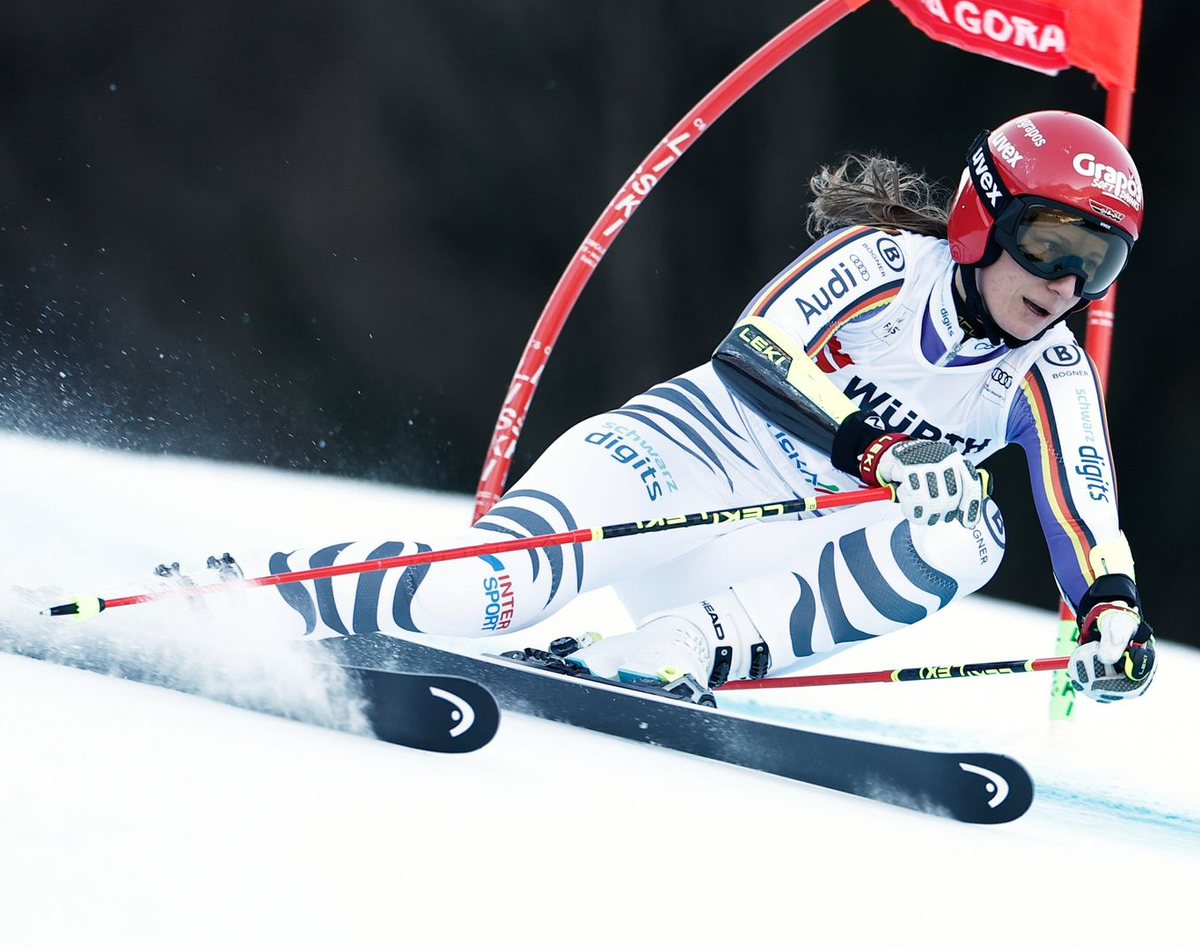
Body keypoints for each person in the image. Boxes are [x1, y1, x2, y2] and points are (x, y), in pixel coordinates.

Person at [233, 109, 1156, 703]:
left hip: (762, 557)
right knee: (486, 593)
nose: (1066, 282)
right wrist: (880, 450)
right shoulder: (882, 264)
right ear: (982, 220)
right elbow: (754, 351)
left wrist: (1110, 613)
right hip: (682, 461)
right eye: (1049, 243)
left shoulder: (1053, 373)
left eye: (1098, 262)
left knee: (972, 533)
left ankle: (679, 647)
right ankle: (220, 596)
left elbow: (1085, 510)